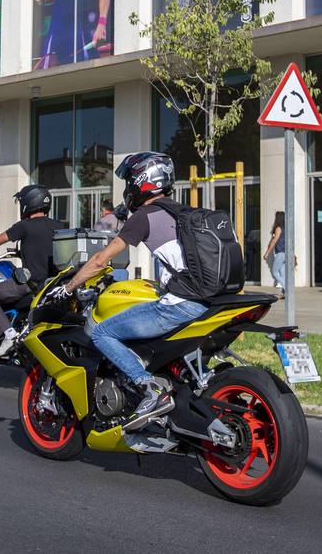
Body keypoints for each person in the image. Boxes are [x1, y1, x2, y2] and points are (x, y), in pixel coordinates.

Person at [55, 152, 208, 430]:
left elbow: (102, 259)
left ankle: (149, 388)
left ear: (141, 181)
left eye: (129, 181)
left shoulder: (146, 216)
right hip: (210, 302)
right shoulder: (185, 212)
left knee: (103, 332)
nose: (127, 188)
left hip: (182, 304)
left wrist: (69, 287)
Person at [0, 184, 65, 356]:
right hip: (53, 284)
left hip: (30, 284)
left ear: (28, 203)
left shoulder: (25, 226)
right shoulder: (60, 226)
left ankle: (8, 335)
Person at [263, 211, 287, 298]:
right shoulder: (285, 228)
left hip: (280, 252)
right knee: (282, 273)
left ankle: (287, 289)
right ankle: (285, 294)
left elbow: (274, 241)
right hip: (286, 253)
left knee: (275, 272)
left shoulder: (278, 228)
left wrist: (267, 253)